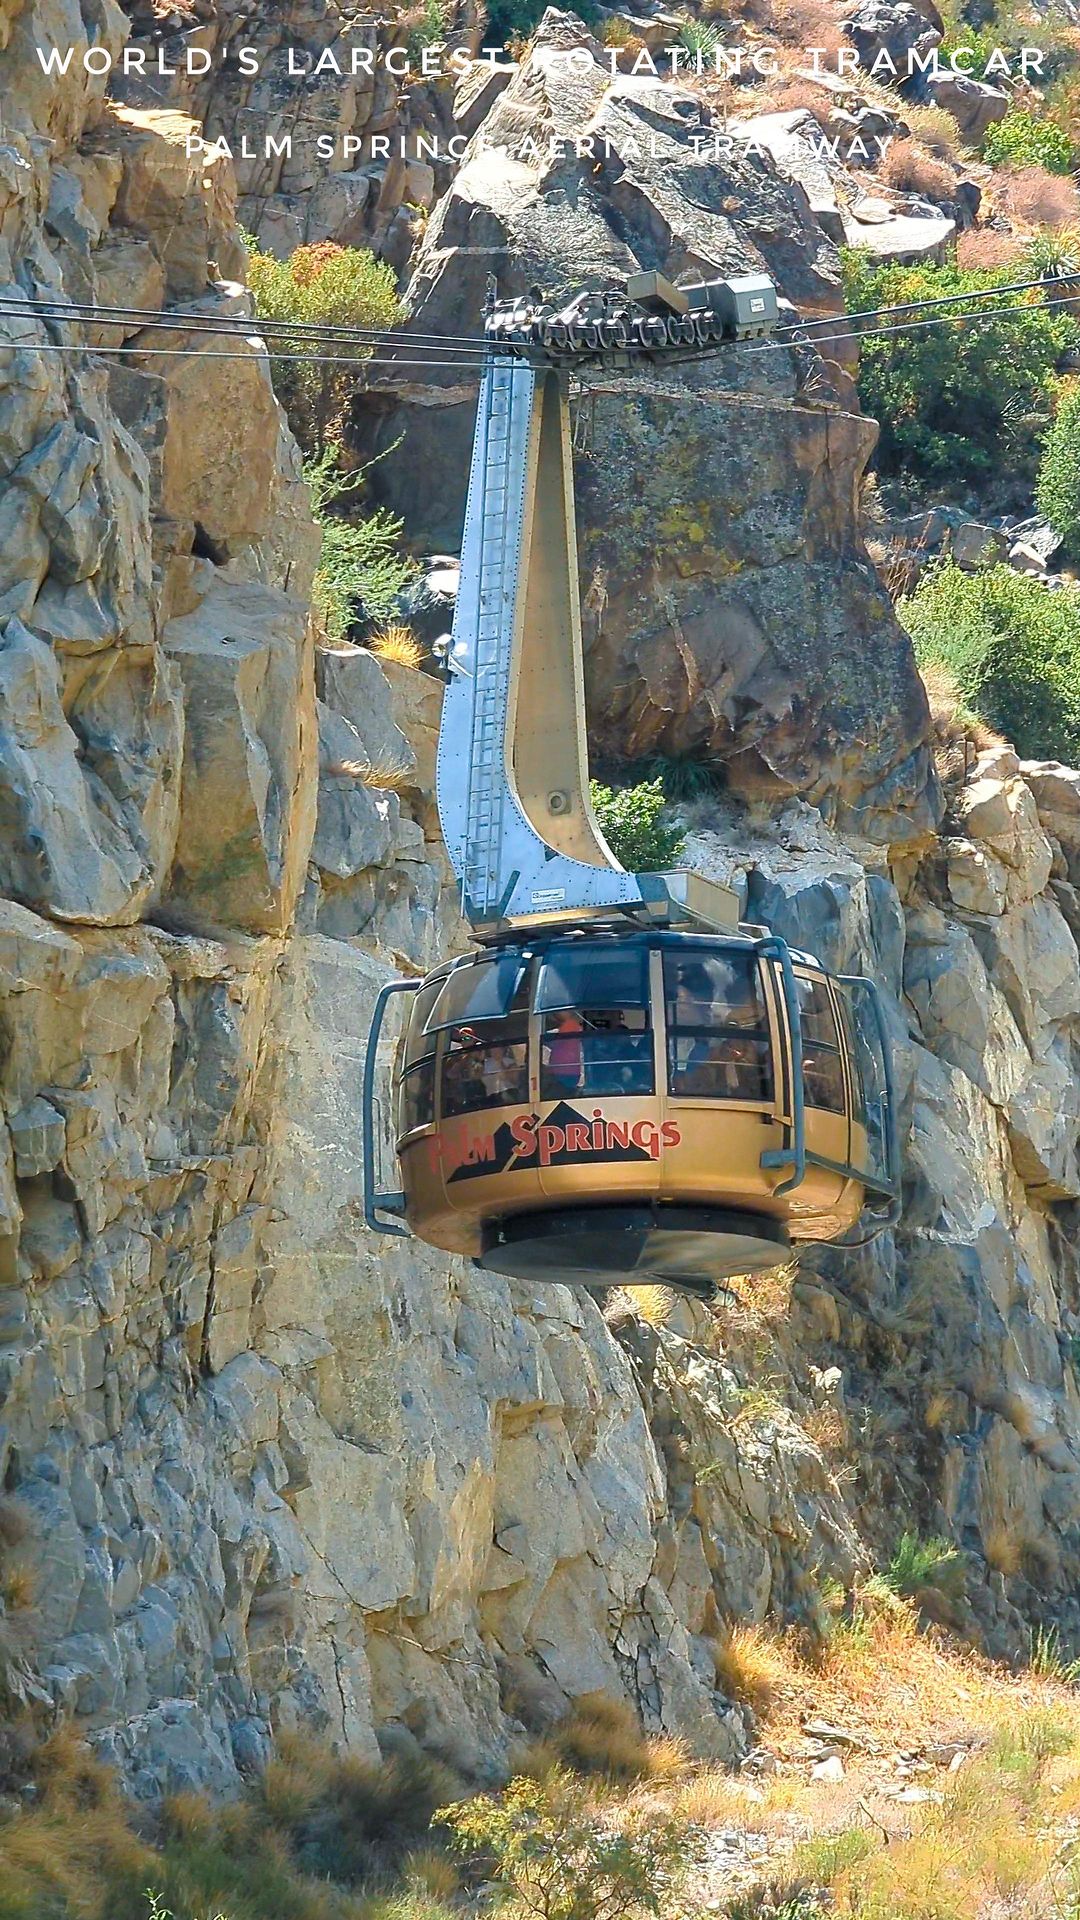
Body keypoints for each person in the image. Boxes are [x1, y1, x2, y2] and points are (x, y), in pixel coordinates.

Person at [544, 1008, 585, 1094]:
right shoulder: (572, 1026)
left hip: (564, 1071)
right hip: (569, 1070)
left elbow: (556, 1043)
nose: (555, 1014)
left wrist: (545, 1039)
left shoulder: (570, 1025)